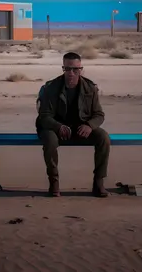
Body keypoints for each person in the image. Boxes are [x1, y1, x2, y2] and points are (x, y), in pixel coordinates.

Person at [35, 52, 110, 198]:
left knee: (103, 137)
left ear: (81, 69)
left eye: (75, 69)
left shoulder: (90, 88)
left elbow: (99, 115)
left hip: (80, 128)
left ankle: (99, 182)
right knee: (50, 141)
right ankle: (54, 181)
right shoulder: (51, 87)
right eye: (67, 69)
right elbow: (44, 116)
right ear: (63, 68)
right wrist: (58, 127)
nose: (71, 73)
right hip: (54, 128)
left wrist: (89, 125)